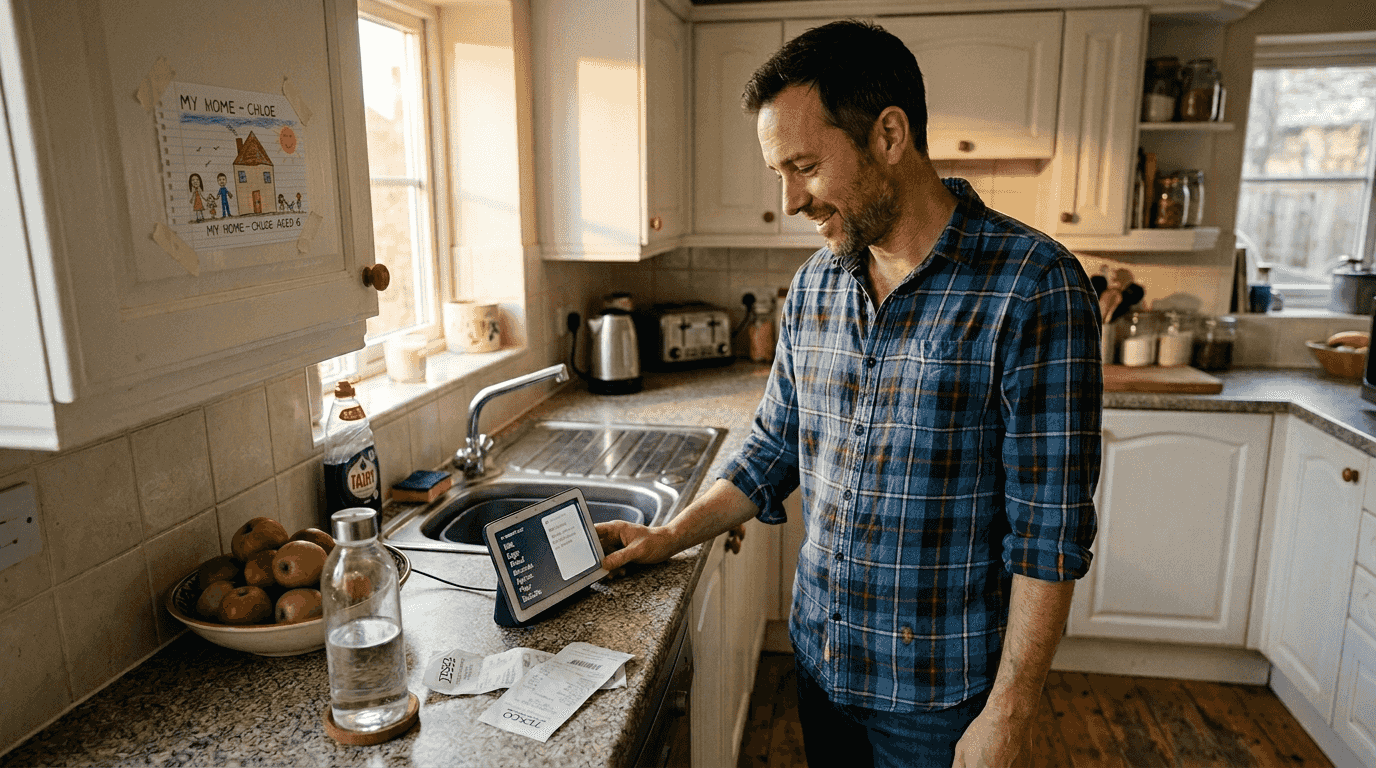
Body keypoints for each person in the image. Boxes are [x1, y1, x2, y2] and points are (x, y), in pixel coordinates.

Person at [596, 19, 1103, 768]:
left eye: (804, 165)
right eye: (780, 172)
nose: (790, 197)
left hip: (938, 697)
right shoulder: (814, 287)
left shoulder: (1034, 287)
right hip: (822, 661)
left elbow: (1048, 531)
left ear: (889, 135)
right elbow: (772, 449)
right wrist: (669, 536)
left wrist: (1013, 710)